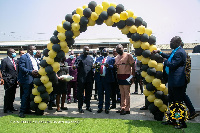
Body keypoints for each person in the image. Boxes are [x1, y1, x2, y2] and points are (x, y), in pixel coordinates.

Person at [153, 36, 188, 129]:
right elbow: (170, 57)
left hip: (178, 82)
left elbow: (172, 64)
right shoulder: (176, 51)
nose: (170, 43)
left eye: (171, 42)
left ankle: (181, 122)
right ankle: (172, 120)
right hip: (173, 81)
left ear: (177, 42)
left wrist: (164, 62)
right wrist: (160, 53)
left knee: (178, 103)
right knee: (172, 102)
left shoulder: (180, 52)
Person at [18, 45, 39, 118]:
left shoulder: (34, 58)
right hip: (27, 79)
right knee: (25, 95)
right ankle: (22, 111)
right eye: (34, 49)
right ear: (30, 50)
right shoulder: (23, 57)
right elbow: (21, 68)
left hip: (34, 79)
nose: (36, 50)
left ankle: (27, 109)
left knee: (30, 95)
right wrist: (31, 72)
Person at [115, 44, 135, 115]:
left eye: (120, 49)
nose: (118, 50)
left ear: (123, 48)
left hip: (127, 77)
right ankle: (122, 108)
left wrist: (132, 76)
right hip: (119, 77)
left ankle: (127, 109)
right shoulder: (116, 57)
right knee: (122, 93)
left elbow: (133, 65)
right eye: (117, 49)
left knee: (127, 93)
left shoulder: (128, 55)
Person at [74, 46, 94, 113]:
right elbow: (75, 65)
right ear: (83, 50)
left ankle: (88, 106)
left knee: (89, 93)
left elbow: (92, 67)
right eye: (85, 50)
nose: (86, 51)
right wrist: (74, 66)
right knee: (80, 94)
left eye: (88, 50)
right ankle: (80, 107)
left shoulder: (91, 58)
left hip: (89, 79)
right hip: (81, 78)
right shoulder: (79, 57)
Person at [95, 48, 115, 114]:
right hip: (100, 78)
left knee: (107, 94)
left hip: (107, 79)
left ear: (108, 52)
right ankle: (100, 107)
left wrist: (108, 66)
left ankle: (107, 107)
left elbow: (113, 67)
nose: (104, 52)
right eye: (103, 51)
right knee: (100, 93)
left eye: (105, 51)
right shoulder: (98, 59)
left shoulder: (111, 59)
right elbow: (95, 66)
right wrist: (95, 66)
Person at [1, 48, 18, 113]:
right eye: (13, 52)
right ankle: (6, 108)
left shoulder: (15, 61)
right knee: (8, 95)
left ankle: (11, 107)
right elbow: (3, 71)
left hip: (14, 81)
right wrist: (6, 79)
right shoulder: (5, 60)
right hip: (8, 81)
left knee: (13, 95)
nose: (14, 53)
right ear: (9, 53)